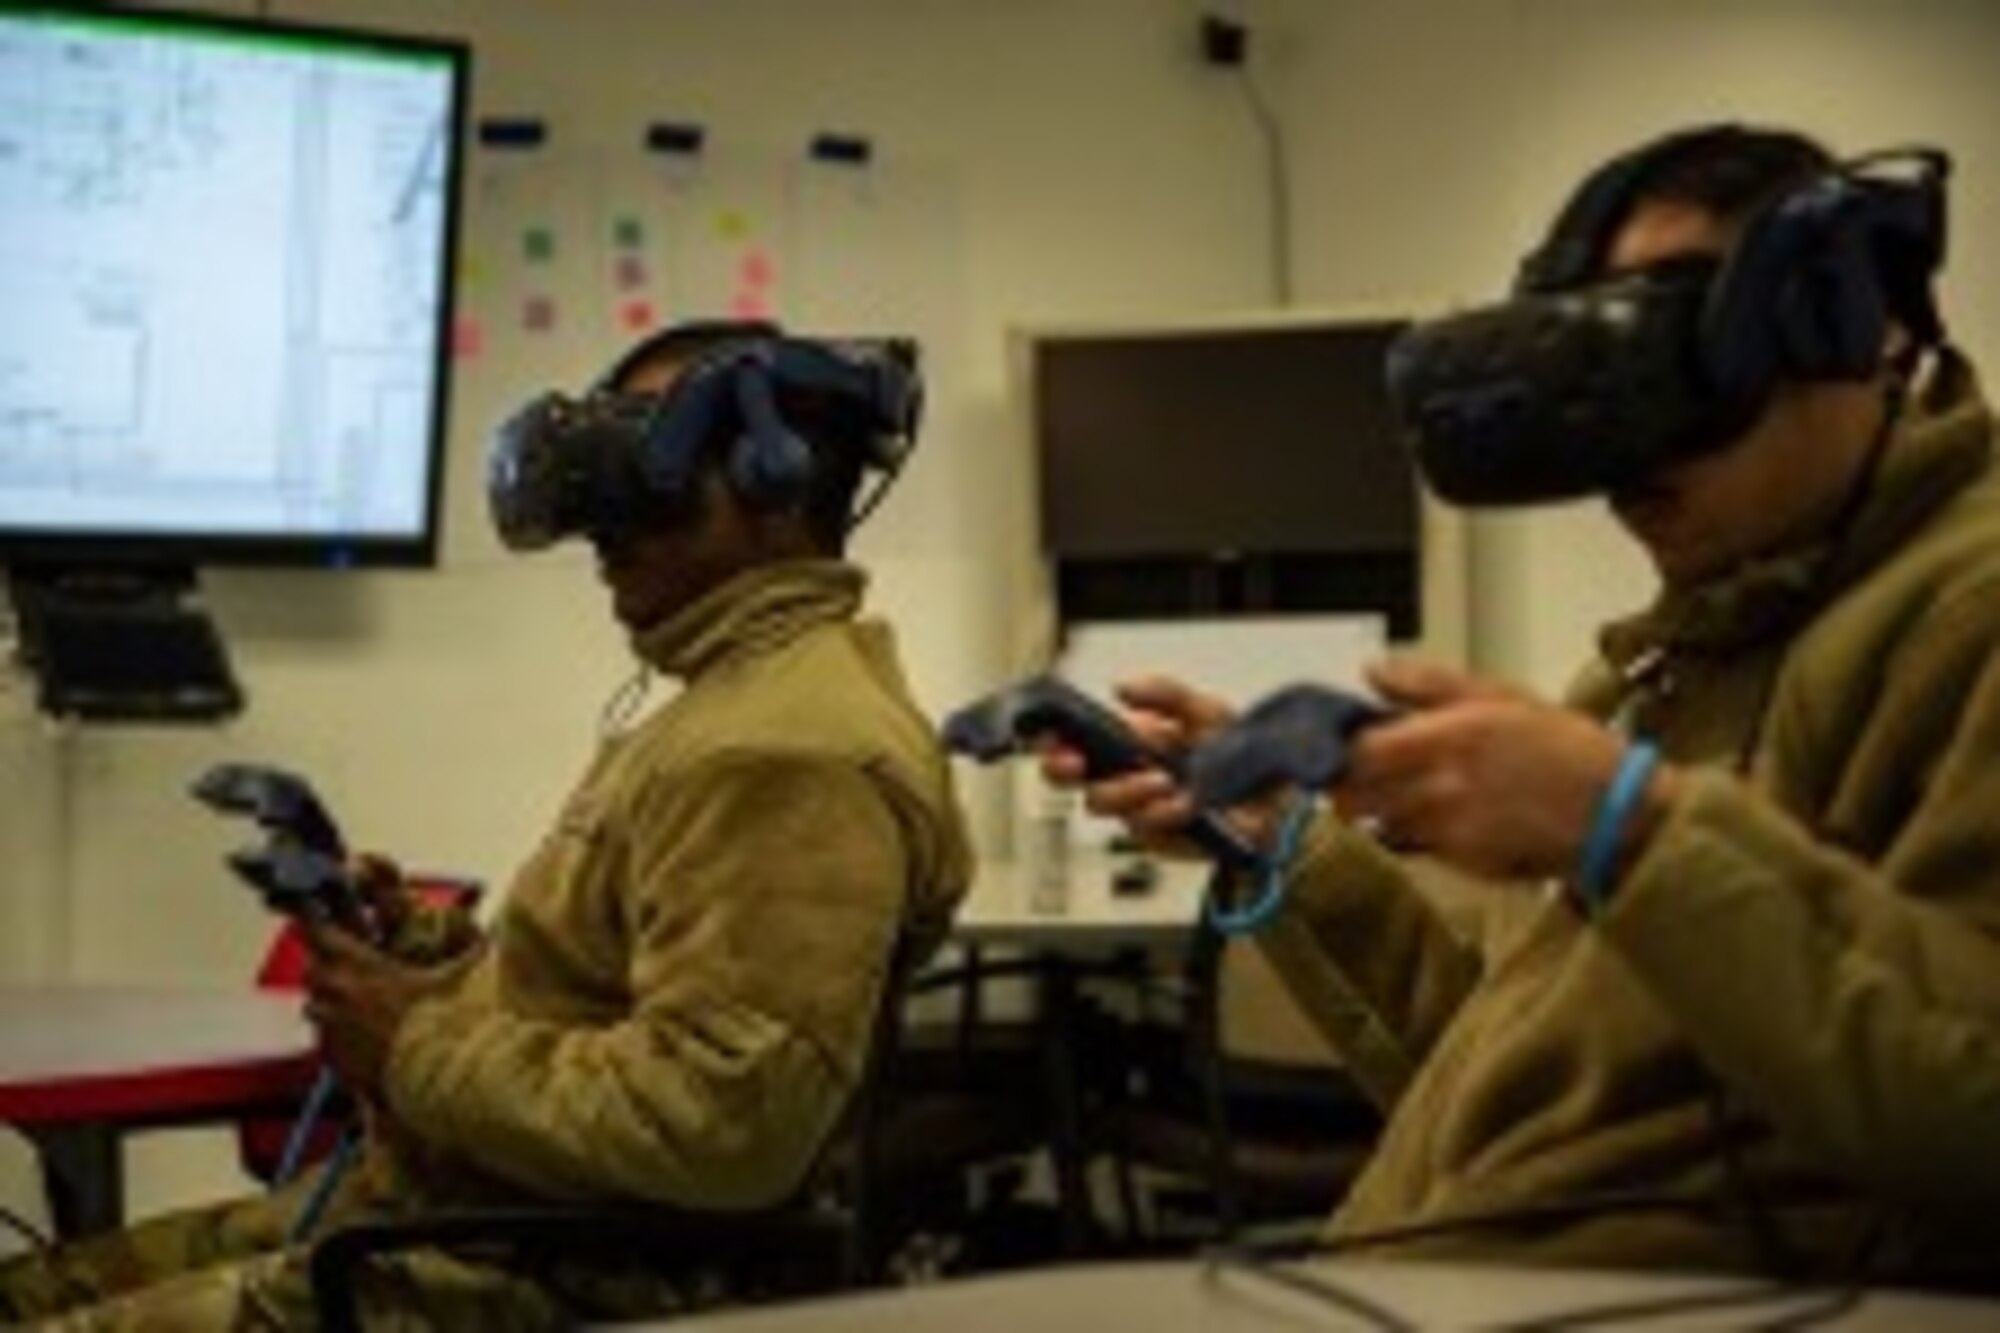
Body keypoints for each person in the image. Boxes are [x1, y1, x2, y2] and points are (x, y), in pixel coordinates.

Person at [1049, 124, 2000, 1287]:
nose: (1629, 466)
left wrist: (1631, 826)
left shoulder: (1965, 618)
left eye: (1674, 374)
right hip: (1447, 1286)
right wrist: (1287, 845)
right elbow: (1503, 1087)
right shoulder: (1654, 671)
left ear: (1846, 324)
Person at [0, 320, 974, 1327]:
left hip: (538, 1271)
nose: (599, 528)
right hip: (468, 1219)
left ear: (776, 479)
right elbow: (601, 1004)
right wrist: (423, 958)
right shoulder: (733, 709)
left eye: (636, 477)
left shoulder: (781, 749)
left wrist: (409, 1041)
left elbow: (721, 1123)